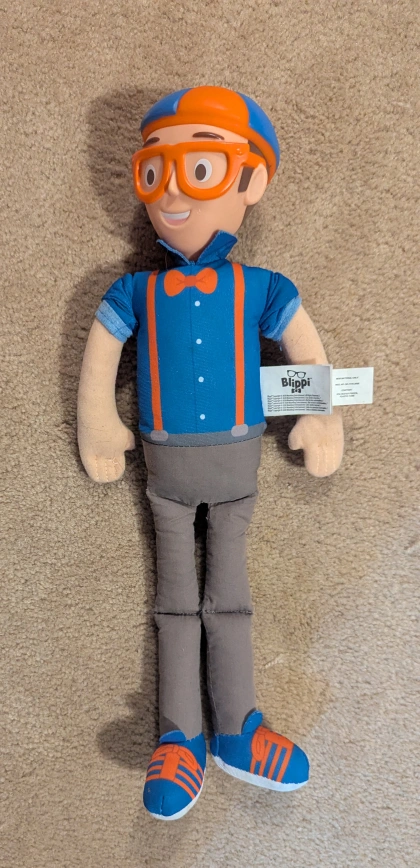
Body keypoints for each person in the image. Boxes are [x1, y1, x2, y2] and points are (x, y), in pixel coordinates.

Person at [77, 86, 344, 821]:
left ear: (250, 180)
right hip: (164, 474)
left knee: (229, 600)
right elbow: (100, 358)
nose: (171, 193)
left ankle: (236, 729)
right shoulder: (134, 291)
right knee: (173, 604)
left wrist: (321, 419)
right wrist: (99, 422)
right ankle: (180, 736)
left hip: (235, 472)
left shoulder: (264, 288)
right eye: (154, 172)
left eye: (200, 169)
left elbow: (305, 349)